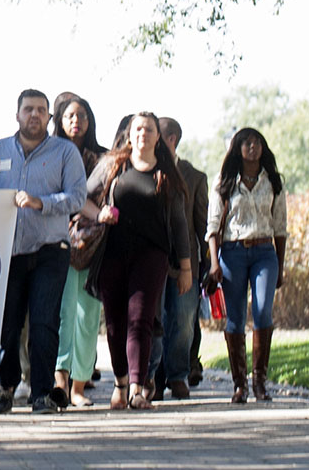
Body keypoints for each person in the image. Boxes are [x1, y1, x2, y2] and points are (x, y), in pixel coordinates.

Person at [0, 89, 87, 414]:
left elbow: (78, 197)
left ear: (49, 117)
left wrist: (43, 203)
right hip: (7, 252)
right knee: (7, 325)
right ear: (17, 115)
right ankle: (6, 386)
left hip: (50, 251)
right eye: (29, 109)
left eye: (41, 110)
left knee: (43, 323)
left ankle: (41, 392)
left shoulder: (65, 153)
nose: (35, 115)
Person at [86, 112, 191, 410]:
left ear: (158, 137)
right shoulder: (113, 165)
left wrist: (185, 268)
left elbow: (180, 223)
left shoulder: (166, 174)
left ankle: (137, 388)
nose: (143, 133)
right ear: (129, 135)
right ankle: (120, 383)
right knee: (116, 323)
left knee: (140, 319)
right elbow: (83, 198)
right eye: (138, 129)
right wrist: (99, 214)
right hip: (112, 253)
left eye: (149, 129)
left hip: (152, 255)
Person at [206, 127, 287, 404]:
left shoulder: (273, 182)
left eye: (258, 142)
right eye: (247, 142)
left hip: (265, 251)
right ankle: (239, 384)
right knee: (235, 318)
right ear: (237, 148)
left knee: (263, 313)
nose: (253, 147)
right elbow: (213, 227)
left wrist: (281, 264)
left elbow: (281, 227)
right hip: (233, 252)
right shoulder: (225, 181)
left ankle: (260, 383)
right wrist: (214, 263)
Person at [52, 96, 107, 408]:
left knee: (88, 316)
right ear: (60, 119)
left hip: (93, 244)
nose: (77, 121)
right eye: (71, 115)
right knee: (62, 314)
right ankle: (59, 379)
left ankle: (79, 386)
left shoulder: (102, 158)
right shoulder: (49, 153)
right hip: (57, 242)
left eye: (83, 115)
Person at [152, 117, 209, 400]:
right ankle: (154, 377)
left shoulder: (195, 176)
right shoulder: (145, 169)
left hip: (187, 262)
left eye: (156, 133)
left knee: (184, 321)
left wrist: (207, 261)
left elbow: (201, 223)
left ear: (171, 138)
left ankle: (177, 375)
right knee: (155, 319)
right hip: (153, 259)